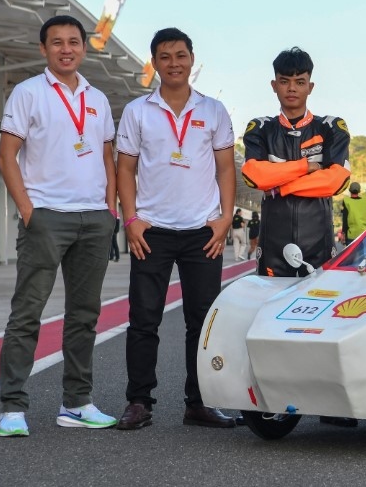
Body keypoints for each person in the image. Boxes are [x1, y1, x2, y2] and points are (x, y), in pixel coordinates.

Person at [0, 15, 118, 437]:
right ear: (43, 49)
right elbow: (6, 155)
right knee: (27, 313)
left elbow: (107, 158)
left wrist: (110, 210)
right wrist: (29, 210)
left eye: (73, 42)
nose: (66, 49)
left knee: (84, 316)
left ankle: (77, 403)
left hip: (93, 220)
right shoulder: (28, 93)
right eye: (57, 42)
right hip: (47, 217)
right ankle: (12, 407)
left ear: (84, 47)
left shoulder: (98, 99)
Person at [115, 27, 237, 430]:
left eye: (180, 55)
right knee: (143, 319)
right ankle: (139, 402)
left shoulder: (214, 110)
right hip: (152, 232)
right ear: (154, 63)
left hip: (202, 231)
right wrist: (131, 220)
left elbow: (224, 168)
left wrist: (224, 219)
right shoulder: (137, 111)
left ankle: (198, 402)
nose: (174, 63)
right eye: (165, 56)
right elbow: (125, 170)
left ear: (191, 59)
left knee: (202, 321)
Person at [240, 46, 353, 426]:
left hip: (318, 244)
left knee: (322, 322)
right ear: (274, 85)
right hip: (273, 246)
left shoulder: (331, 127)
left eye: (300, 83)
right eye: (285, 82)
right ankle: (271, 399)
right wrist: (307, 168)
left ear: (310, 86)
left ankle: (330, 405)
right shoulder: (260, 128)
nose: (292, 89)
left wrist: (282, 182)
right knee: (269, 322)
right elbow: (255, 176)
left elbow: (335, 179)